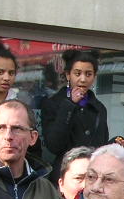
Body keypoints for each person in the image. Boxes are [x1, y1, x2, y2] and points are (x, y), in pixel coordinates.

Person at [40, 49, 109, 180]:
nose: (82, 79)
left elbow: (101, 144)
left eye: (88, 74)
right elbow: (54, 145)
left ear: (94, 77)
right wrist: (69, 105)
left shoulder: (99, 108)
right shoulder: (53, 104)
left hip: (93, 175)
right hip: (65, 174)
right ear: (67, 75)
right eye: (77, 73)